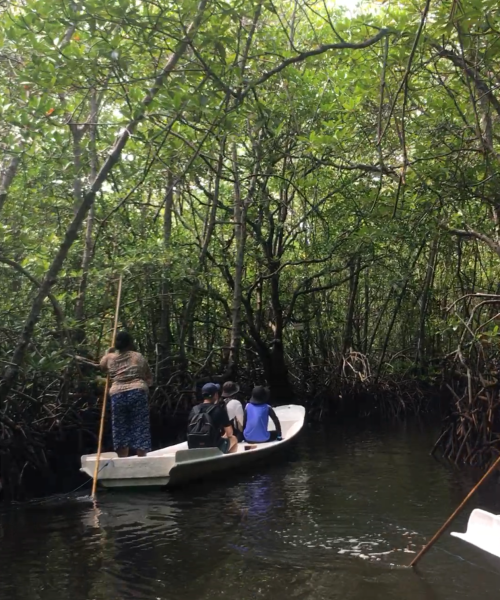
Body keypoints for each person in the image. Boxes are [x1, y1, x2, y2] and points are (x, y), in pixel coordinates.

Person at [99, 331, 153, 458]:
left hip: (117, 394)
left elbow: (102, 367)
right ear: (130, 343)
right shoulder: (138, 357)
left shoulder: (109, 358)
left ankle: (122, 458)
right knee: (140, 425)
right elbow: (148, 377)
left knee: (120, 428)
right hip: (137, 391)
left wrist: (109, 352)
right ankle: (142, 457)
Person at [187, 383, 238, 454]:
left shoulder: (194, 410)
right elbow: (230, 433)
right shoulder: (219, 410)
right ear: (216, 395)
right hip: (213, 447)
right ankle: (226, 461)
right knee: (233, 439)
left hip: (194, 446)